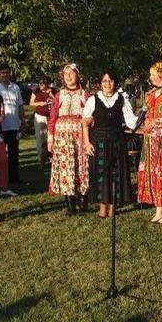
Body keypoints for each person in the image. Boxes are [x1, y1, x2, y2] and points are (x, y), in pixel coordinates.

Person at [83, 72, 138, 218]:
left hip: (116, 141)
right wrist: (87, 143)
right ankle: (102, 207)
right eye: (105, 81)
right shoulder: (93, 100)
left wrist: (145, 116)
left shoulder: (122, 99)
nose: (108, 84)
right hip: (98, 141)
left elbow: (131, 121)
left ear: (115, 82)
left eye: (111, 80)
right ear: (101, 83)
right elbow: (85, 123)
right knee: (101, 173)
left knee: (115, 174)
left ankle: (112, 207)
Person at [48, 64, 91, 215]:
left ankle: (83, 202)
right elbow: (53, 116)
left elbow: (91, 114)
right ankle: (69, 205)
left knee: (81, 166)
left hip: (79, 136)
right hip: (63, 138)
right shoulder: (59, 95)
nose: (68, 76)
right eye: (66, 74)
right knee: (66, 167)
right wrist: (50, 138)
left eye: (71, 73)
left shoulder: (85, 94)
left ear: (77, 75)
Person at [138, 62, 162, 224]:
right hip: (151, 138)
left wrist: (154, 121)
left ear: (161, 74)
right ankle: (158, 207)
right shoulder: (150, 94)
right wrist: (146, 122)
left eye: (153, 74)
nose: (151, 77)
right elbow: (146, 113)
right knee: (153, 170)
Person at [0, 66, 24, 186]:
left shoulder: (15, 87)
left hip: (14, 125)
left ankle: (14, 178)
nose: (4, 75)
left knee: (14, 154)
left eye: (6, 72)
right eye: (2, 72)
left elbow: (20, 106)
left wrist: (23, 121)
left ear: (9, 73)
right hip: (0, 126)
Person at [29, 77, 56, 169]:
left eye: (43, 84)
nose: (41, 86)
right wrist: (39, 103)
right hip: (40, 116)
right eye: (40, 84)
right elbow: (31, 103)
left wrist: (51, 94)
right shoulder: (36, 91)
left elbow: (57, 101)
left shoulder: (53, 91)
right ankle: (41, 159)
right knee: (40, 137)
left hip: (51, 117)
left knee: (51, 138)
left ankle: (52, 158)